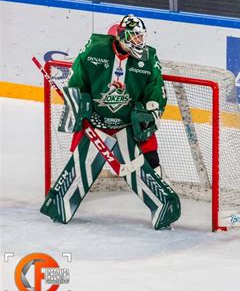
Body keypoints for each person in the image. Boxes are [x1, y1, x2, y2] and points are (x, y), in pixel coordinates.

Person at [40, 14, 180, 229]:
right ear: (121, 37)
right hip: (97, 124)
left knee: (146, 160)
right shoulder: (95, 50)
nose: (138, 42)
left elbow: (156, 89)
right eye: (134, 37)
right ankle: (61, 204)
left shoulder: (148, 57)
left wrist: (151, 111)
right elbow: (77, 80)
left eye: (140, 37)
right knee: (80, 164)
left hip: (126, 126)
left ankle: (162, 203)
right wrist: (79, 105)